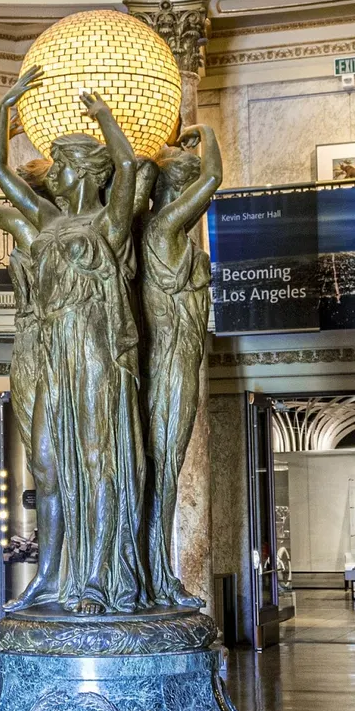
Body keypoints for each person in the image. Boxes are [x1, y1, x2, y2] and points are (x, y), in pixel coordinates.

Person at [0, 67, 151, 614]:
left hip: (95, 353)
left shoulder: (110, 225)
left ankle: (94, 578)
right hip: (52, 354)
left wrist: (105, 119)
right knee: (45, 462)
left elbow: (130, 164)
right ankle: (48, 575)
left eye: (61, 166)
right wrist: (3, 116)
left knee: (97, 464)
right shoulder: (41, 223)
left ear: (80, 172)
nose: (53, 176)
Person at [136, 127, 221, 607]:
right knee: (163, 468)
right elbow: (215, 178)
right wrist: (206, 132)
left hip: (181, 356)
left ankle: (155, 572)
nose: (197, 195)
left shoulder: (169, 233)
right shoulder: (165, 229)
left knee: (165, 468)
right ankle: (156, 575)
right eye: (189, 186)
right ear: (178, 190)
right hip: (170, 360)